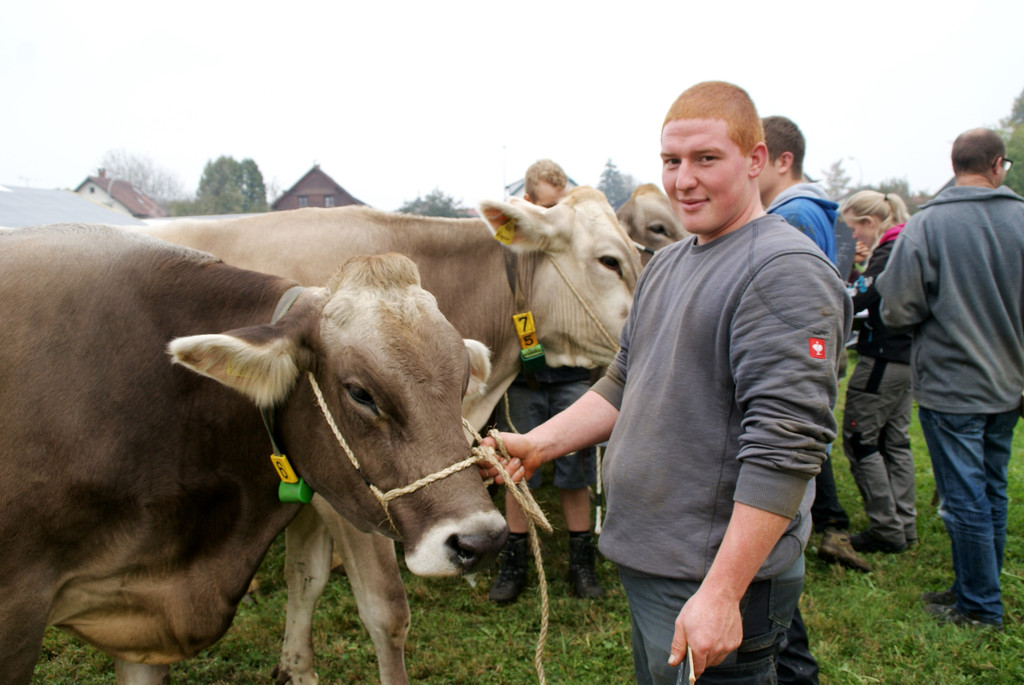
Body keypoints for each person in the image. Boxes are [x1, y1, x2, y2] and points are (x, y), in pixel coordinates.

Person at [484, 81, 852, 683]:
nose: (684, 180)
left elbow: (787, 446)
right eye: (672, 161)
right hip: (654, 564)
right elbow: (625, 381)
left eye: (707, 159)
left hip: (709, 580)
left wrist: (722, 593)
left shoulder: (784, 270)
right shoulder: (671, 263)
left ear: (756, 161)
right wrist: (540, 443)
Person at [877, 128, 1024, 630]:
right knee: (991, 489)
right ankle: (973, 589)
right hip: (1009, 381)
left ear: (955, 163)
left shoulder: (928, 224)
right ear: (998, 165)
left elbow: (896, 307)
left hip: (953, 385)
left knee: (965, 498)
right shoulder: (1022, 217)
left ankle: (980, 607)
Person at [758, 116, 863, 685]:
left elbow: (794, 320)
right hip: (809, 372)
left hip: (784, 387)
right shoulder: (817, 211)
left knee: (770, 548)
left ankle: (794, 669)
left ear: (779, 160)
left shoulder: (790, 218)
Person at [487, 158, 603, 604]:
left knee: (576, 472)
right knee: (517, 473)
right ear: (529, 202)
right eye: (546, 207)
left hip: (573, 379)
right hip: (524, 381)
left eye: (562, 206)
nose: (555, 217)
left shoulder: (575, 244)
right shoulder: (509, 250)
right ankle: (515, 563)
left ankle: (582, 566)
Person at [839, 190, 917, 554]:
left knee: (860, 438)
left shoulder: (888, 251)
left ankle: (886, 528)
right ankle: (905, 522)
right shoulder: (907, 242)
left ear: (870, 223)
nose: (854, 238)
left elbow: (857, 298)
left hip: (882, 359)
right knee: (895, 441)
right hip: (905, 357)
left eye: (854, 231)